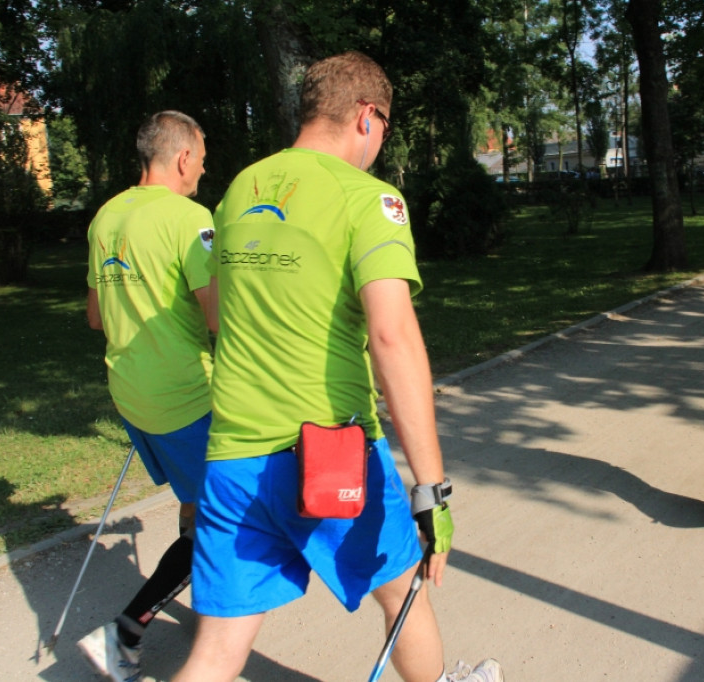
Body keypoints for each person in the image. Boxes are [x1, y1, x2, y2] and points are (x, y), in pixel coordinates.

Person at [173, 52, 502, 682]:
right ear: (366, 118)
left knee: (215, 653)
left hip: (234, 457)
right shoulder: (369, 199)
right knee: (407, 595)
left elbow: (221, 312)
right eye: (385, 129)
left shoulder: (241, 187)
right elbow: (392, 335)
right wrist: (431, 488)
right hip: (329, 455)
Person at [79, 110, 217, 681]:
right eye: (202, 162)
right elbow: (220, 316)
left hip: (132, 396)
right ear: (183, 157)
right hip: (187, 397)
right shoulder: (189, 218)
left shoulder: (106, 217)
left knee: (196, 506)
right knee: (229, 520)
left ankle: (207, 607)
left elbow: (94, 317)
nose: (203, 173)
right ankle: (126, 631)